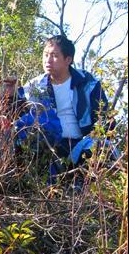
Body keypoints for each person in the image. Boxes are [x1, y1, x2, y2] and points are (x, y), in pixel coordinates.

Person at [16, 35, 115, 182]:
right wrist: (10, 94)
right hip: (50, 145)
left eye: (55, 56)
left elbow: (105, 118)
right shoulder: (34, 86)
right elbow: (18, 112)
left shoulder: (87, 82)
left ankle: (87, 190)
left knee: (103, 149)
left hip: (81, 143)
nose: (48, 60)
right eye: (46, 55)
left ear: (68, 60)